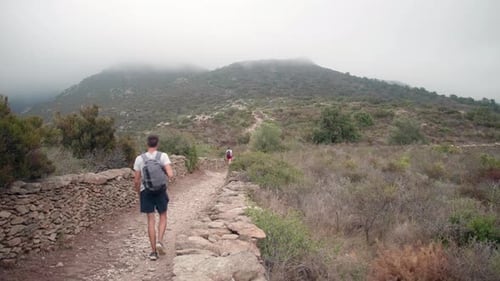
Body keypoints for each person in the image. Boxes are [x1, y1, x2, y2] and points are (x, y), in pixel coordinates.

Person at [133, 135, 174, 261]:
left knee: (150, 220)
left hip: (146, 191)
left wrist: (138, 193)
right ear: (157, 144)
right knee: (163, 215)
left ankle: (153, 252)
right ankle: (160, 241)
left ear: (147, 144)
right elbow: (171, 174)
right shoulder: (162, 156)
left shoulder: (140, 159)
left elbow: (136, 180)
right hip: (160, 191)